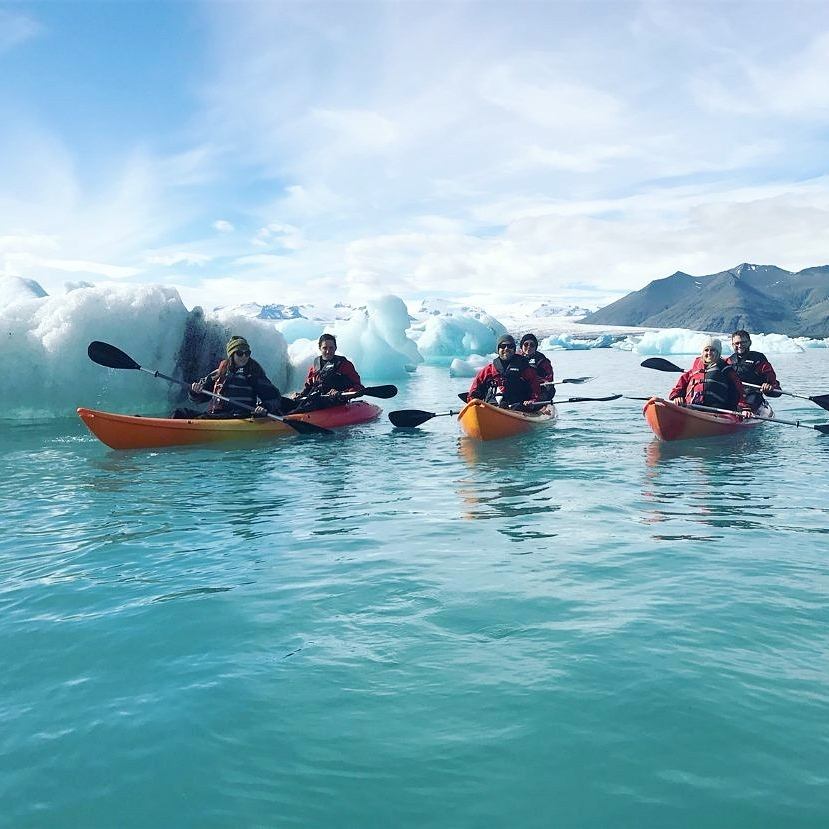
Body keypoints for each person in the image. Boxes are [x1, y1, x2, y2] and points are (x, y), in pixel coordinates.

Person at [183, 335, 282, 418]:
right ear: (231, 355)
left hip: (240, 417)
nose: (244, 356)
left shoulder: (253, 374)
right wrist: (195, 391)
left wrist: (264, 407)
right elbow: (199, 399)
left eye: (247, 353)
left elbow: (274, 397)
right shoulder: (218, 373)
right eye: (239, 353)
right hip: (217, 416)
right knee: (180, 413)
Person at [669, 336, 751, 413]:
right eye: (706, 350)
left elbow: (738, 389)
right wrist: (677, 396)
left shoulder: (726, 369)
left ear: (718, 353)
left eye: (712, 350)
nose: (709, 353)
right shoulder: (695, 369)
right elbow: (680, 385)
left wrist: (744, 408)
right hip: (691, 407)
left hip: (716, 410)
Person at [286, 333, 364, 412]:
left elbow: (358, 387)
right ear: (320, 348)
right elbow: (309, 387)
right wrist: (300, 395)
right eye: (324, 348)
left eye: (331, 348)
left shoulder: (345, 365)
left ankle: (289, 418)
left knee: (303, 408)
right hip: (315, 400)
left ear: (335, 348)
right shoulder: (316, 365)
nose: (328, 351)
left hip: (335, 401)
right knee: (284, 402)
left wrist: (341, 393)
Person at [468, 334, 541, 409]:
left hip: (518, 408)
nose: (506, 349)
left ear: (514, 349)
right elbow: (474, 392)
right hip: (491, 408)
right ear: (498, 350)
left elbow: (535, 390)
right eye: (503, 346)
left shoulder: (525, 368)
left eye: (510, 346)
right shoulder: (488, 370)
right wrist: (474, 402)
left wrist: (532, 401)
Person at [726, 329, 781, 411]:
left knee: (747, 405)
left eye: (743, 342)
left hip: (752, 396)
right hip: (734, 396)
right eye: (737, 343)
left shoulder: (758, 359)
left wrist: (768, 387)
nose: (740, 346)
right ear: (732, 345)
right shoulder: (729, 361)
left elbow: (775, 387)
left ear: (749, 343)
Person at [520, 333, 555, 400]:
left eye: (532, 345)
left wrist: (546, 382)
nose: (529, 347)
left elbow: (549, 378)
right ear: (522, 346)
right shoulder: (515, 358)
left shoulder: (542, 361)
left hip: (539, 390)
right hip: (521, 390)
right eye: (526, 344)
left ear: (535, 347)